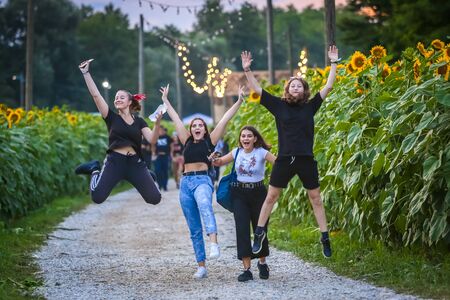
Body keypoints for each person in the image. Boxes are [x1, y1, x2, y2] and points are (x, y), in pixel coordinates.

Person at [241, 45, 339, 258]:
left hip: (305, 159)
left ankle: (325, 237)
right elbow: (258, 90)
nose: (295, 88)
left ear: (304, 91)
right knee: (271, 197)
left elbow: (329, 87)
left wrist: (333, 63)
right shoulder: (278, 105)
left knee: (315, 198)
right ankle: (258, 234)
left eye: (299, 86)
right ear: (287, 90)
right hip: (284, 159)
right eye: (292, 85)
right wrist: (247, 70)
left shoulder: (310, 106)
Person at [160, 83, 245, 279]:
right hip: (185, 184)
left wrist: (239, 101)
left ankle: (214, 242)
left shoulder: (210, 140)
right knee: (194, 227)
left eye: (200, 125)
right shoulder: (186, 140)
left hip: (202, 181)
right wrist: (165, 101)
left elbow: (224, 119)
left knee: (206, 204)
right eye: (194, 125)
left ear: (205, 130)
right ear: (191, 130)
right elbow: (175, 118)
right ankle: (201, 266)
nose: (197, 127)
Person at [74, 59, 162, 205]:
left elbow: (152, 140)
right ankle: (95, 168)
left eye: (121, 97)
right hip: (115, 162)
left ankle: (146, 175)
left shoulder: (139, 121)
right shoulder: (111, 117)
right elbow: (96, 95)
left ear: (129, 102)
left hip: (135, 163)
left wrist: (157, 123)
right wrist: (86, 73)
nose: (117, 99)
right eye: (116, 98)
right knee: (97, 197)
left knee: (155, 199)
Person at [211, 125, 276, 282]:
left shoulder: (261, 152)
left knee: (260, 229)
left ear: (255, 139)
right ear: (240, 139)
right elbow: (219, 162)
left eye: (249, 136)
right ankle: (246, 269)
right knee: (241, 229)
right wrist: (213, 158)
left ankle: (262, 262)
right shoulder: (236, 152)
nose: (245, 138)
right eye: (243, 136)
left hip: (259, 194)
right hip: (239, 194)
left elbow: (278, 164)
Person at [154, 126, 173, 191]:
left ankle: (165, 185)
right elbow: (152, 145)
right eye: (159, 130)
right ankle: (160, 184)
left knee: (165, 171)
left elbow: (171, 145)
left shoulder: (168, 137)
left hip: (165, 156)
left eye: (161, 130)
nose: (160, 131)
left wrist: (171, 153)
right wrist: (153, 153)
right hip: (158, 156)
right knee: (157, 170)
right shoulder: (156, 137)